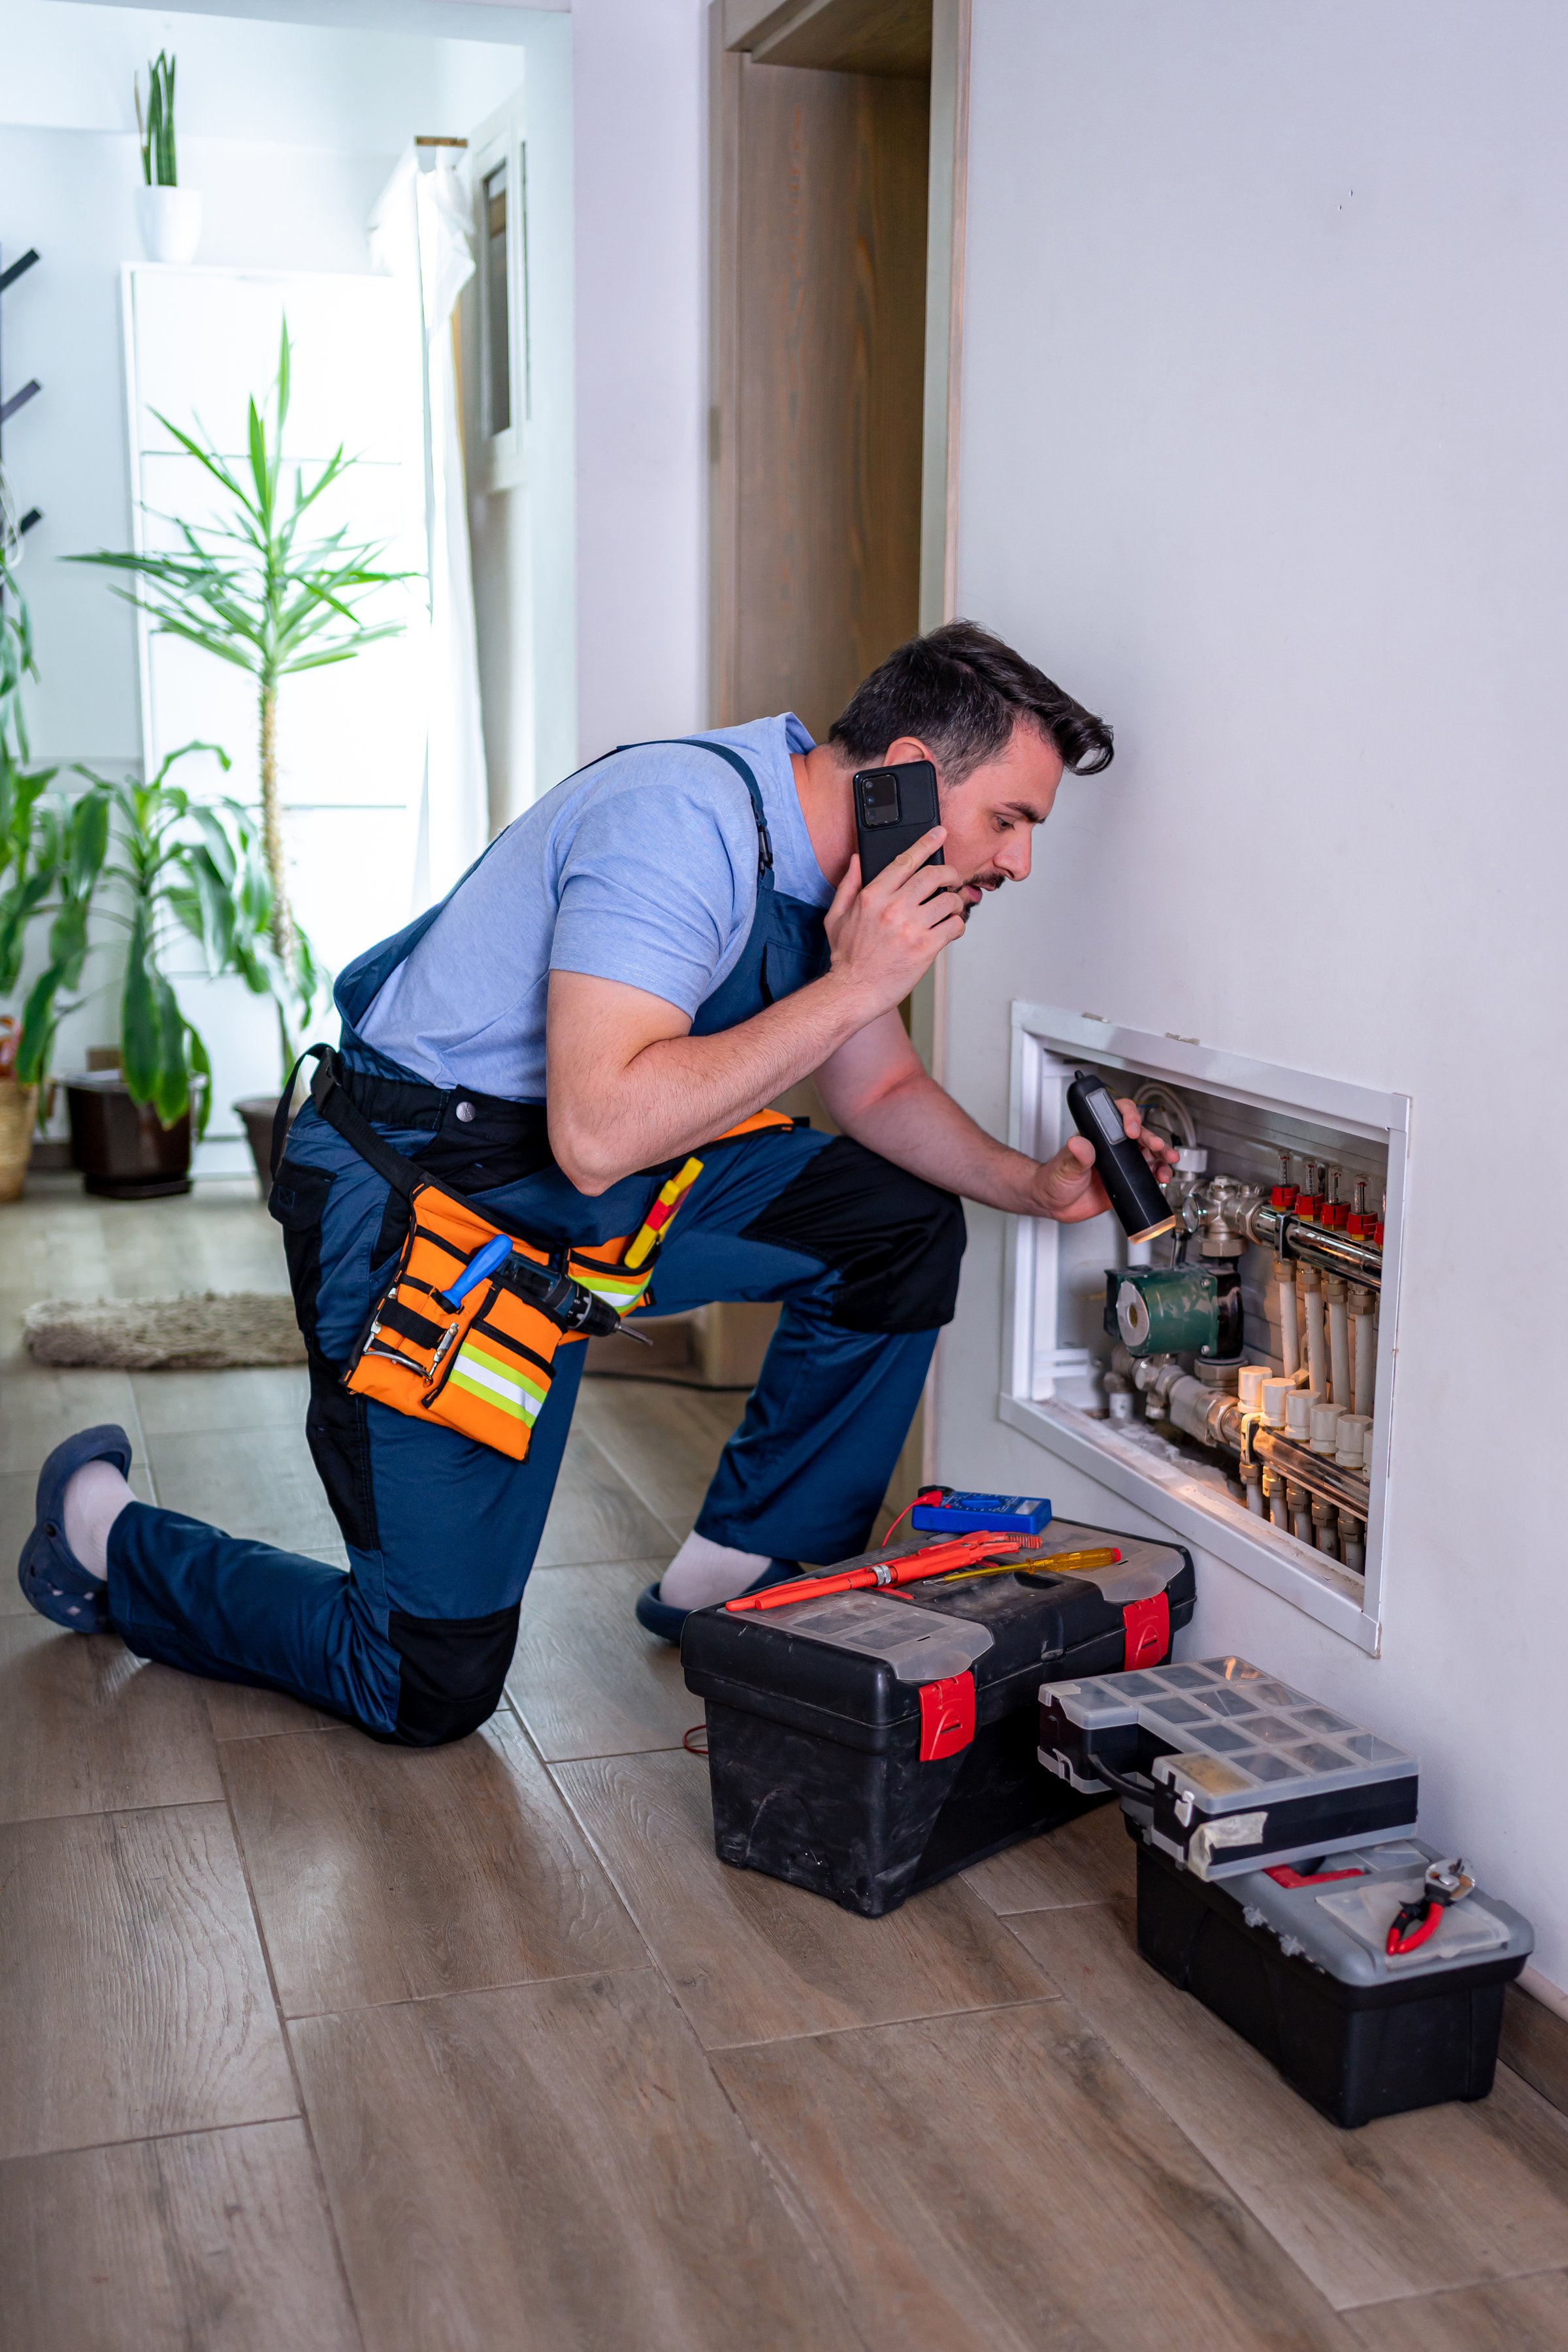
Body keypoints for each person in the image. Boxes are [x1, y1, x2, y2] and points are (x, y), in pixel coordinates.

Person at [19, 622, 1175, 1745]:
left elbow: (872, 1094)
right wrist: (857, 978)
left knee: (896, 1225)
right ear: (915, 778)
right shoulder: (680, 823)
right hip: (426, 1207)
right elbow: (600, 1128)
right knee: (425, 1681)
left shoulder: (849, 877)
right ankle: (105, 1537)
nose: (1018, 860)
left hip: (598, 1192)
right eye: (1010, 819)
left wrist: (1033, 1184)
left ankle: (738, 1576)